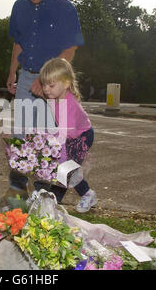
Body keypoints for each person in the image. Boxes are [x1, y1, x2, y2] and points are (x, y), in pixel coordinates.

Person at [4, 0, 84, 200]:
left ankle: (42, 192)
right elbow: (18, 43)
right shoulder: (19, 7)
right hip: (25, 76)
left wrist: (45, 79)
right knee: (20, 134)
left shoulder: (65, 8)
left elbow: (71, 48)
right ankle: (17, 190)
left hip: (53, 82)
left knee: (47, 137)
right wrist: (12, 72)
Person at [34, 57, 97, 212]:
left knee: (65, 169)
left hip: (83, 136)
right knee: (67, 170)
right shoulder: (55, 97)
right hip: (69, 134)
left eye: (51, 85)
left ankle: (54, 201)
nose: (46, 89)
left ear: (66, 84)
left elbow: (62, 135)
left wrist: (56, 152)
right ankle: (83, 194)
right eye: (44, 84)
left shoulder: (69, 104)